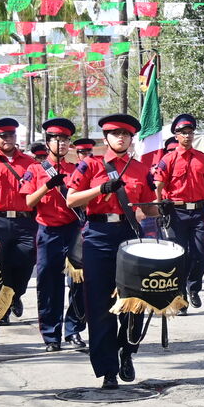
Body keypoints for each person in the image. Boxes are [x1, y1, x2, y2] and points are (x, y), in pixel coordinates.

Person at [66, 113, 157, 388]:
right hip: (98, 236)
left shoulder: (140, 169)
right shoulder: (90, 165)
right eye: (115, 134)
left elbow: (149, 204)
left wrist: (164, 206)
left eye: (126, 134)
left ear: (131, 139)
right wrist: (100, 188)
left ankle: (127, 351)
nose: (121, 138)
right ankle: (107, 369)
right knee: (101, 306)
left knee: (135, 301)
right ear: (106, 138)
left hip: (129, 234)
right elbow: (71, 200)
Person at [21, 117, 87, 352]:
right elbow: (28, 202)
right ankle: (51, 335)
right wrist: (47, 186)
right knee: (49, 284)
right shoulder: (35, 169)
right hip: (48, 230)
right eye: (56, 139)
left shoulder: (77, 169)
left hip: (73, 230)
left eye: (66, 139)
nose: (61, 144)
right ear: (47, 142)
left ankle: (74, 330)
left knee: (79, 282)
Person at [153, 113, 204, 310]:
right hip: (176, 212)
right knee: (179, 255)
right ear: (176, 135)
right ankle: (180, 296)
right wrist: (159, 208)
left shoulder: (203, 159)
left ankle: (194, 287)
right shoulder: (168, 159)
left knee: (201, 253)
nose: (187, 136)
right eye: (183, 133)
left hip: (198, 212)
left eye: (190, 132)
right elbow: (158, 185)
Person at [0, 117, 40, 321]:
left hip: (25, 221)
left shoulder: (30, 163)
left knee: (25, 262)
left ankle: (15, 295)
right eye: (3, 136)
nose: (7, 139)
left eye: (11, 135)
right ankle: (1, 307)